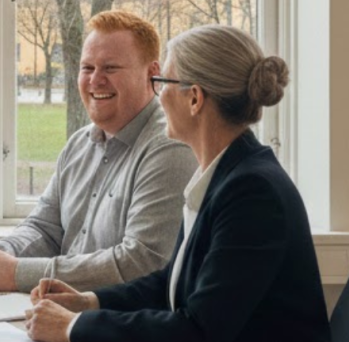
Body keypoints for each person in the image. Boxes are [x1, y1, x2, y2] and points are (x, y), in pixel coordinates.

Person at [25, 25, 330, 342]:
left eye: (162, 82)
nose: (159, 95)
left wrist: (71, 327)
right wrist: (88, 301)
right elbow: (170, 282)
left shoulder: (253, 193)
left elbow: (197, 331)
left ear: (195, 98)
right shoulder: (224, 173)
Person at [0, 11, 197, 292]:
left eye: (110, 68)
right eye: (87, 68)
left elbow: (142, 262)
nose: (95, 80)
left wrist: (18, 272)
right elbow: (44, 228)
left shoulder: (170, 147)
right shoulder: (79, 144)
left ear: (153, 74)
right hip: (59, 314)